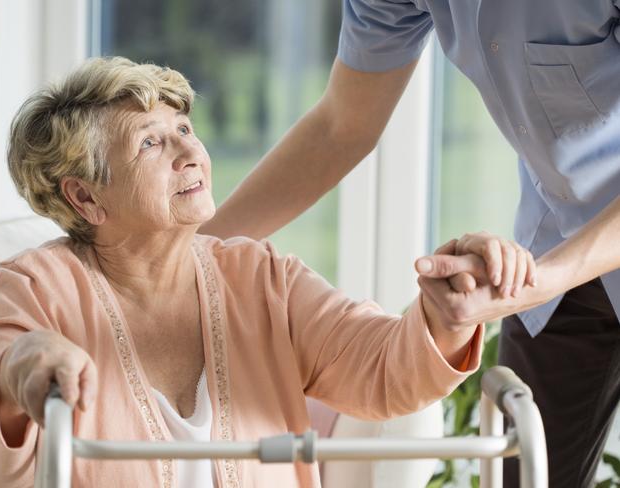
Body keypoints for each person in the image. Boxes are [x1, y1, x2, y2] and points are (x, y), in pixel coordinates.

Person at [0, 56, 536, 487]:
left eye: (184, 131)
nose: (189, 154)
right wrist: (13, 376)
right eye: (150, 143)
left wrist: (445, 316)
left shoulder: (258, 275)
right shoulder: (34, 288)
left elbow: (382, 368)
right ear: (86, 198)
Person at [201, 2, 620, 486]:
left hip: (554, 269)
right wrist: (182, 255)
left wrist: (539, 281)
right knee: (524, 471)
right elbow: (342, 125)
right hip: (556, 242)